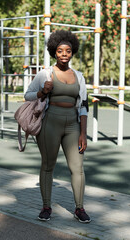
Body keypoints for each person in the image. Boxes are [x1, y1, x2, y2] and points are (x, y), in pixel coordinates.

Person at [24, 30, 91, 223]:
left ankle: (79, 208)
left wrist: (83, 134)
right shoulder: (45, 73)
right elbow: (28, 95)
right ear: (54, 51)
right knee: (48, 166)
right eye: (60, 50)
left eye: (68, 51)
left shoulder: (79, 76)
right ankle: (46, 207)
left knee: (77, 168)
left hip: (73, 125)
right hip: (49, 123)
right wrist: (42, 92)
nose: (64, 54)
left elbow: (84, 106)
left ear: (72, 52)